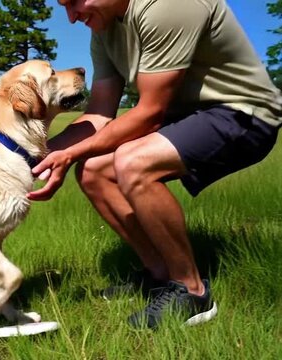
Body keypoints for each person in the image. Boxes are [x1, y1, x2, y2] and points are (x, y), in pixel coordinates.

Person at [28, 0, 281, 329]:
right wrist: (32, 156)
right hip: (188, 115)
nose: (73, 17)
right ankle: (160, 276)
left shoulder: (167, 5)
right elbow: (100, 112)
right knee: (93, 171)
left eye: (75, 1)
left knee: (133, 163)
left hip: (245, 112)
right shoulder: (103, 27)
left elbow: (149, 112)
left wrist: (70, 153)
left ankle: (192, 292)